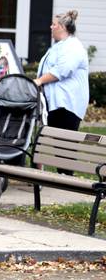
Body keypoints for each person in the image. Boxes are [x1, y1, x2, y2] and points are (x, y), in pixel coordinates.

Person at [35, 10, 89, 175]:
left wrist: (39, 81)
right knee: (59, 145)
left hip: (67, 104)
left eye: (54, 24)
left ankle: (67, 181)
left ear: (64, 27)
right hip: (56, 103)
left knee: (65, 146)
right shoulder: (60, 46)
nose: (51, 27)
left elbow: (62, 70)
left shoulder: (73, 47)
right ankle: (61, 178)